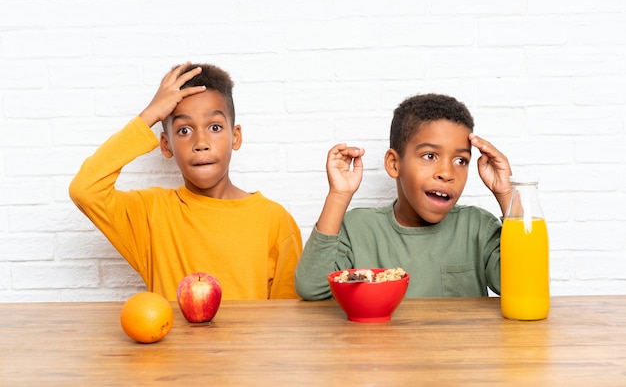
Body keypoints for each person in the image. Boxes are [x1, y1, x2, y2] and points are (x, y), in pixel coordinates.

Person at [69, 62, 302, 301]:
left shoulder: (275, 221)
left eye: (214, 127)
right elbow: (85, 190)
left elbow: (286, 319)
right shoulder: (152, 214)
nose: (201, 142)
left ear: (235, 136)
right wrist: (149, 115)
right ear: (166, 144)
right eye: (184, 130)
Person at [295, 93, 512, 300]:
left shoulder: (478, 227)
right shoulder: (358, 229)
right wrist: (339, 195)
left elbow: (522, 285)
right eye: (430, 156)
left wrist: (508, 195)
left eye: (460, 161)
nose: (447, 173)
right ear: (394, 163)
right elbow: (312, 288)